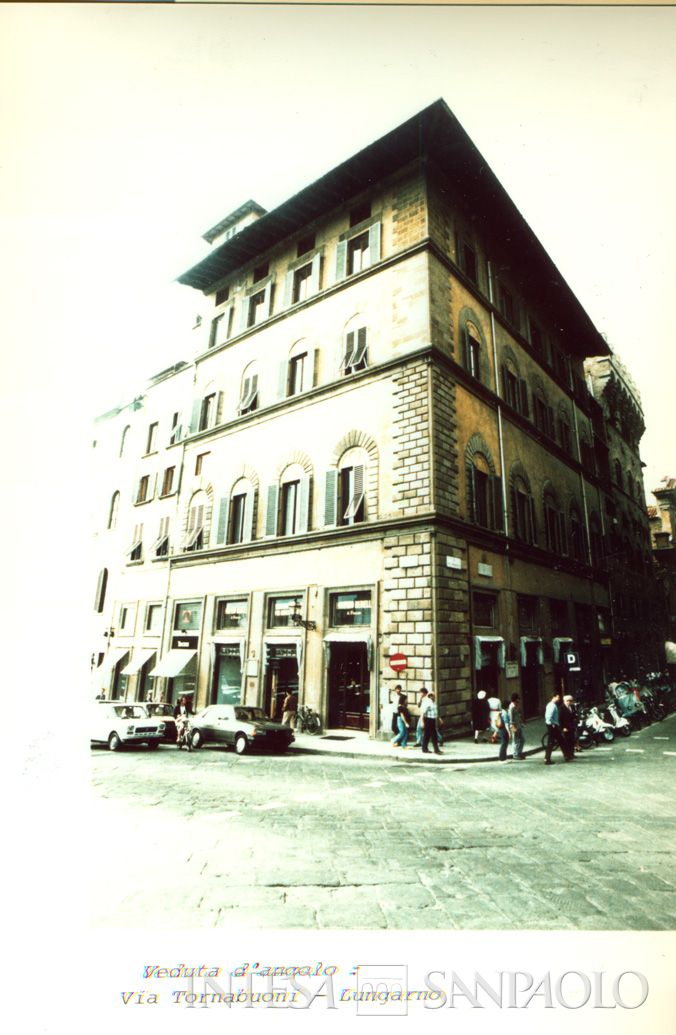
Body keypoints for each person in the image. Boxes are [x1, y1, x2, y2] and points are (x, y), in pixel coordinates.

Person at [544, 691, 566, 765]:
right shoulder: (552, 706)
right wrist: (553, 724)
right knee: (552, 742)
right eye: (558, 697)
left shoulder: (552, 705)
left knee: (560, 740)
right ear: (554, 697)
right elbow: (548, 717)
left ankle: (567, 755)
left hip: (552, 725)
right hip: (552, 726)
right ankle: (547, 759)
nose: (559, 698)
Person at [421, 690, 442, 755]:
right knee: (429, 735)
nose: (432, 697)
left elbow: (435, 712)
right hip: (428, 720)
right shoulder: (428, 702)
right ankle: (430, 749)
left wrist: (439, 719)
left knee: (431, 735)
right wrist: (422, 722)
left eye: (433, 695)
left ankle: (432, 749)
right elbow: (423, 713)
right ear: (429, 696)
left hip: (433, 720)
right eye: (430, 696)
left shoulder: (434, 702)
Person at [508, 692, 526, 759]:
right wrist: (513, 727)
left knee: (522, 740)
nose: (519, 700)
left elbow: (518, 715)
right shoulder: (511, 707)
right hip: (514, 726)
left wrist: (521, 723)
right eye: (518, 699)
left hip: (518, 725)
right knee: (516, 741)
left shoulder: (516, 706)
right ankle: (515, 754)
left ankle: (519, 753)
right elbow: (511, 718)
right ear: (515, 699)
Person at [560, 693, 577, 761]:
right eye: (569, 701)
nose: (571, 702)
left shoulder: (571, 707)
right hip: (566, 727)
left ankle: (571, 754)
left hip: (571, 726)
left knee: (572, 740)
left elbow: (573, 715)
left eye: (571, 700)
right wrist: (563, 727)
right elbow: (560, 719)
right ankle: (567, 755)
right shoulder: (562, 708)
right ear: (566, 701)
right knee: (567, 741)